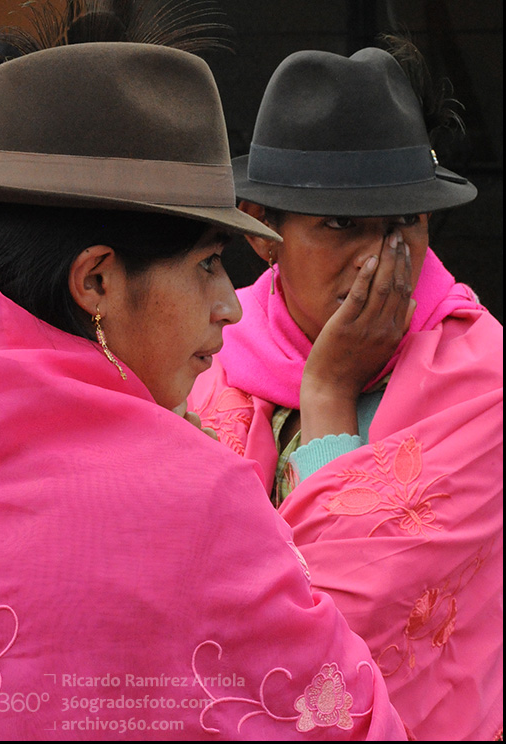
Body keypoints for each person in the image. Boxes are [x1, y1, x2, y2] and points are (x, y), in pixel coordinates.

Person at [0, 0, 408, 741]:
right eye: (209, 263)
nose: (231, 303)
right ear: (98, 281)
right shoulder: (191, 494)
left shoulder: (473, 374)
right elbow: (351, 718)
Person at [188, 39, 503, 741]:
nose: (381, 259)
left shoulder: (482, 379)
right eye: (341, 225)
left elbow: (330, 639)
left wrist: (328, 390)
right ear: (263, 232)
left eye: (404, 225)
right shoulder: (206, 357)